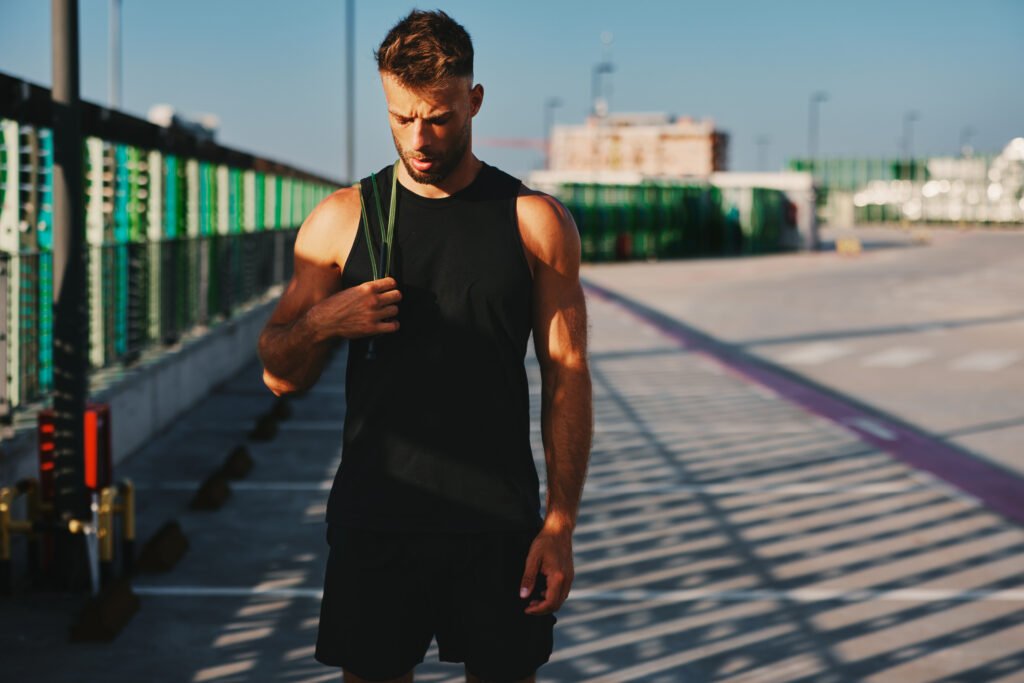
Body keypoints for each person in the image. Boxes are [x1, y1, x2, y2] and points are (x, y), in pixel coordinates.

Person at [257, 10, 592, 683]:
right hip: (376, 520)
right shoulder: (341, 219)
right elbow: (278, 375)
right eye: (401, 116)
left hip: (498, 522)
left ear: (474, 100)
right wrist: (326, 321)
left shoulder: (535, 222)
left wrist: (559, 523)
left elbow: (567, 376)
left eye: (437, 117)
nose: (418, 137)